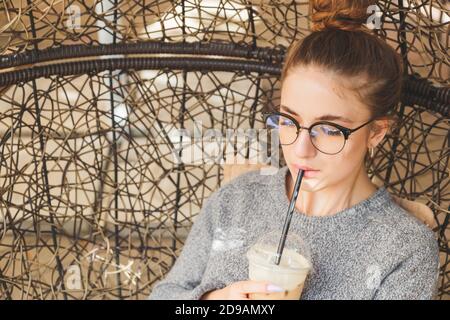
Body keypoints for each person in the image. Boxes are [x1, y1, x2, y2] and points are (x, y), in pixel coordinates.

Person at [149, 0, 440, 300]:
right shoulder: (236, 200)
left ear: (376, 133)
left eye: (328, 129)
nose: (301, 150)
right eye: (289, 120)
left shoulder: (405, 250)